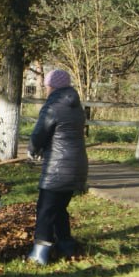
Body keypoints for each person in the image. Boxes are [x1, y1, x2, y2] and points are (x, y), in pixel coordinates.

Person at [27, 69, 87, 264]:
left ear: (53, 86)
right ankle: (66, 247)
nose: (45, 89)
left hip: (58, 168)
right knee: (59, 208)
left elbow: (40, 133)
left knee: (44, 209)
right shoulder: (76, 106)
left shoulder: (52, 105)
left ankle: (39, 254)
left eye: (47, 86)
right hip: (77, 166)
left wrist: (33, 149)